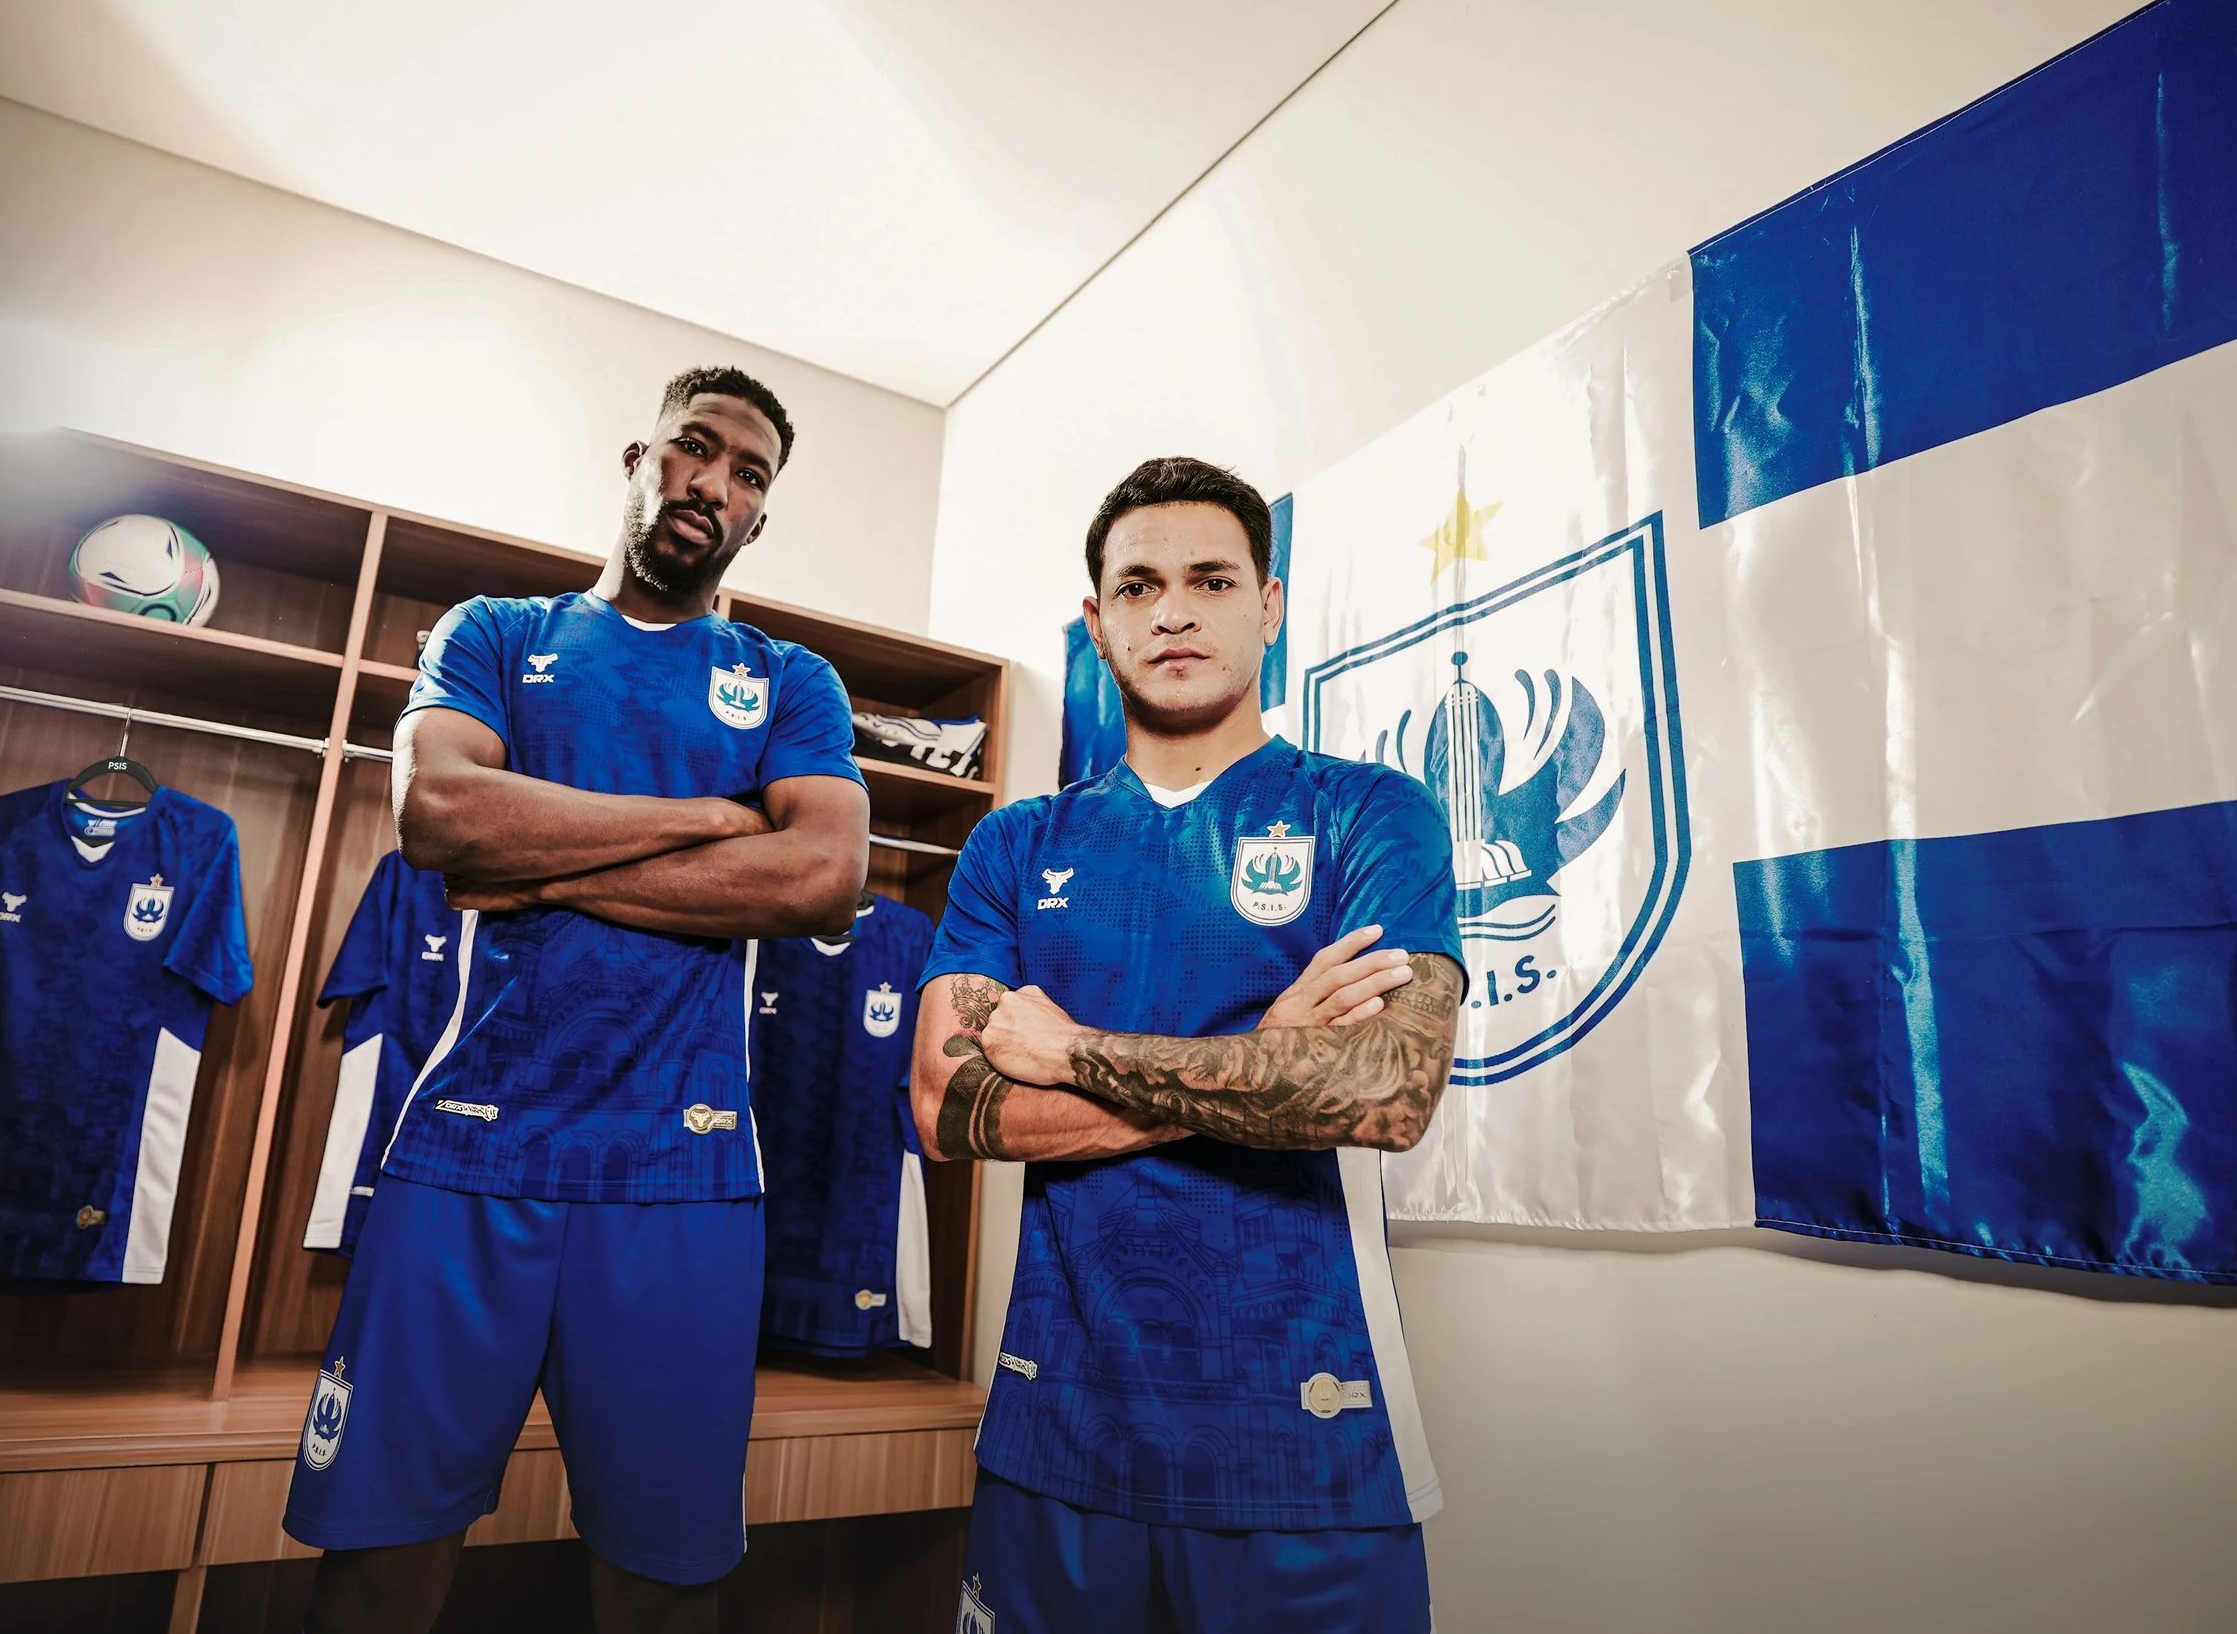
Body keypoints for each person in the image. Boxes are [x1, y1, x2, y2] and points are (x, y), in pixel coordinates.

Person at [286, 368, 871, 1634]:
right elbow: (441, 818)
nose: (711, 484)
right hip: (466, 1154)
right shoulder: (494, 631)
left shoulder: (790, 681)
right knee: (377, 1566)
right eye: (692, 450)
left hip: (684, 1173)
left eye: (747, 474)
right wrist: (715, 825)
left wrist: (540, 852)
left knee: (663, 1584)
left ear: (759, 517)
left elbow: (824, 875)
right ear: (637, 459)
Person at [912, 456, 1465, 1633]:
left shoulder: (1370, 810)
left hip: (1310, 1442)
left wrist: (1073, 1052)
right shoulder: (1017, 844)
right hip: (1054, 1432)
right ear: (1097, 621)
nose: (1173, 609)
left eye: (1212, 580)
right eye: (1139, 585)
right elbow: (949, 1107)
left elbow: (1383, 1089)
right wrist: (1265, 1049)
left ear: (1268, 605)